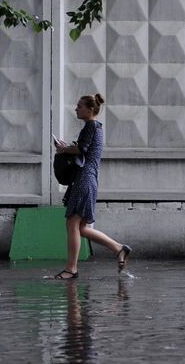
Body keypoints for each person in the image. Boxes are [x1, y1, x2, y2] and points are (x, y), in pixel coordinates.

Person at [53, 93, 131, 279]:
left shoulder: (91, 126)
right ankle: (119, 248)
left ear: (90, 109)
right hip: (88, 178)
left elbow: (82, 149)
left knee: (72, 222)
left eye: (79, 106)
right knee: (80, 227)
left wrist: (63, 149)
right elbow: (82, 149)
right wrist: (67, 148)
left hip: (84, 179)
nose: (76, 109)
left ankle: (71, 269)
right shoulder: (96, 127)